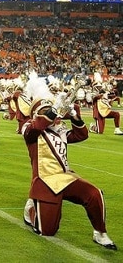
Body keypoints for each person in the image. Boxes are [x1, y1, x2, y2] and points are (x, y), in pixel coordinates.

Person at [22, 77, 117, 250]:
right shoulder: (29, 128)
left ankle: (100, 233)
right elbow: (37, 127)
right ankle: (31, 208)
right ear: (37, 114)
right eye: (47, 111)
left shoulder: (60, 130)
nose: (54, 115)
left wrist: (74, 115)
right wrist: (54, 109)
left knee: (94, 194)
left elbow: (82, 135)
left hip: (65, 177)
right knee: (47, 231)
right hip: (45, 182)